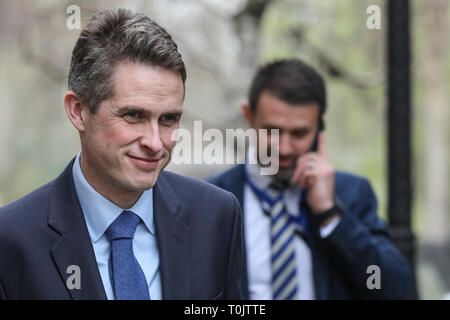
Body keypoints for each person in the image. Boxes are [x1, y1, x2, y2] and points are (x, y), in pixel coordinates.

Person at [0, 8, 242, 300]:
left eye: (168, 119)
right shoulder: (11, 240)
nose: (155, 142)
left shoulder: (216, 216)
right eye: (133, 115)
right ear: (78, 111)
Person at [208, 59, 413, 299]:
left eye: (299, 133)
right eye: (271, 131)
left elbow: (394, 289)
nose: (283, 148)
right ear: (249, 116)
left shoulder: (351, 194)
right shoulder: (211, 199)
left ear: (319, 127)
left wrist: (331, 215)